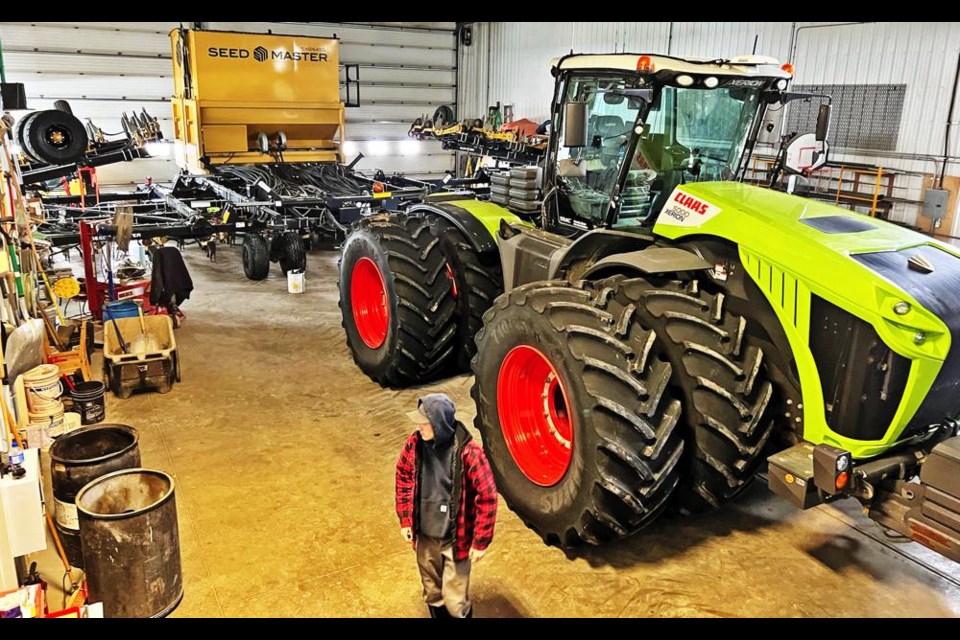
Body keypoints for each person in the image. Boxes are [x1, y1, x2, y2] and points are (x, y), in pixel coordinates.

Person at [395, 393, 497, 618]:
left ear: (439, 423)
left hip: (455, 540)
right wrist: (405, 520)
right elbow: (403, 474)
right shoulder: (415, 445)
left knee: (455, 599)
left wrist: (480, 541)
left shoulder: (469, 453)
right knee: (432, 591)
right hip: (425, 537)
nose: (419, 427)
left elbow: (487, 496)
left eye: (425, 422)